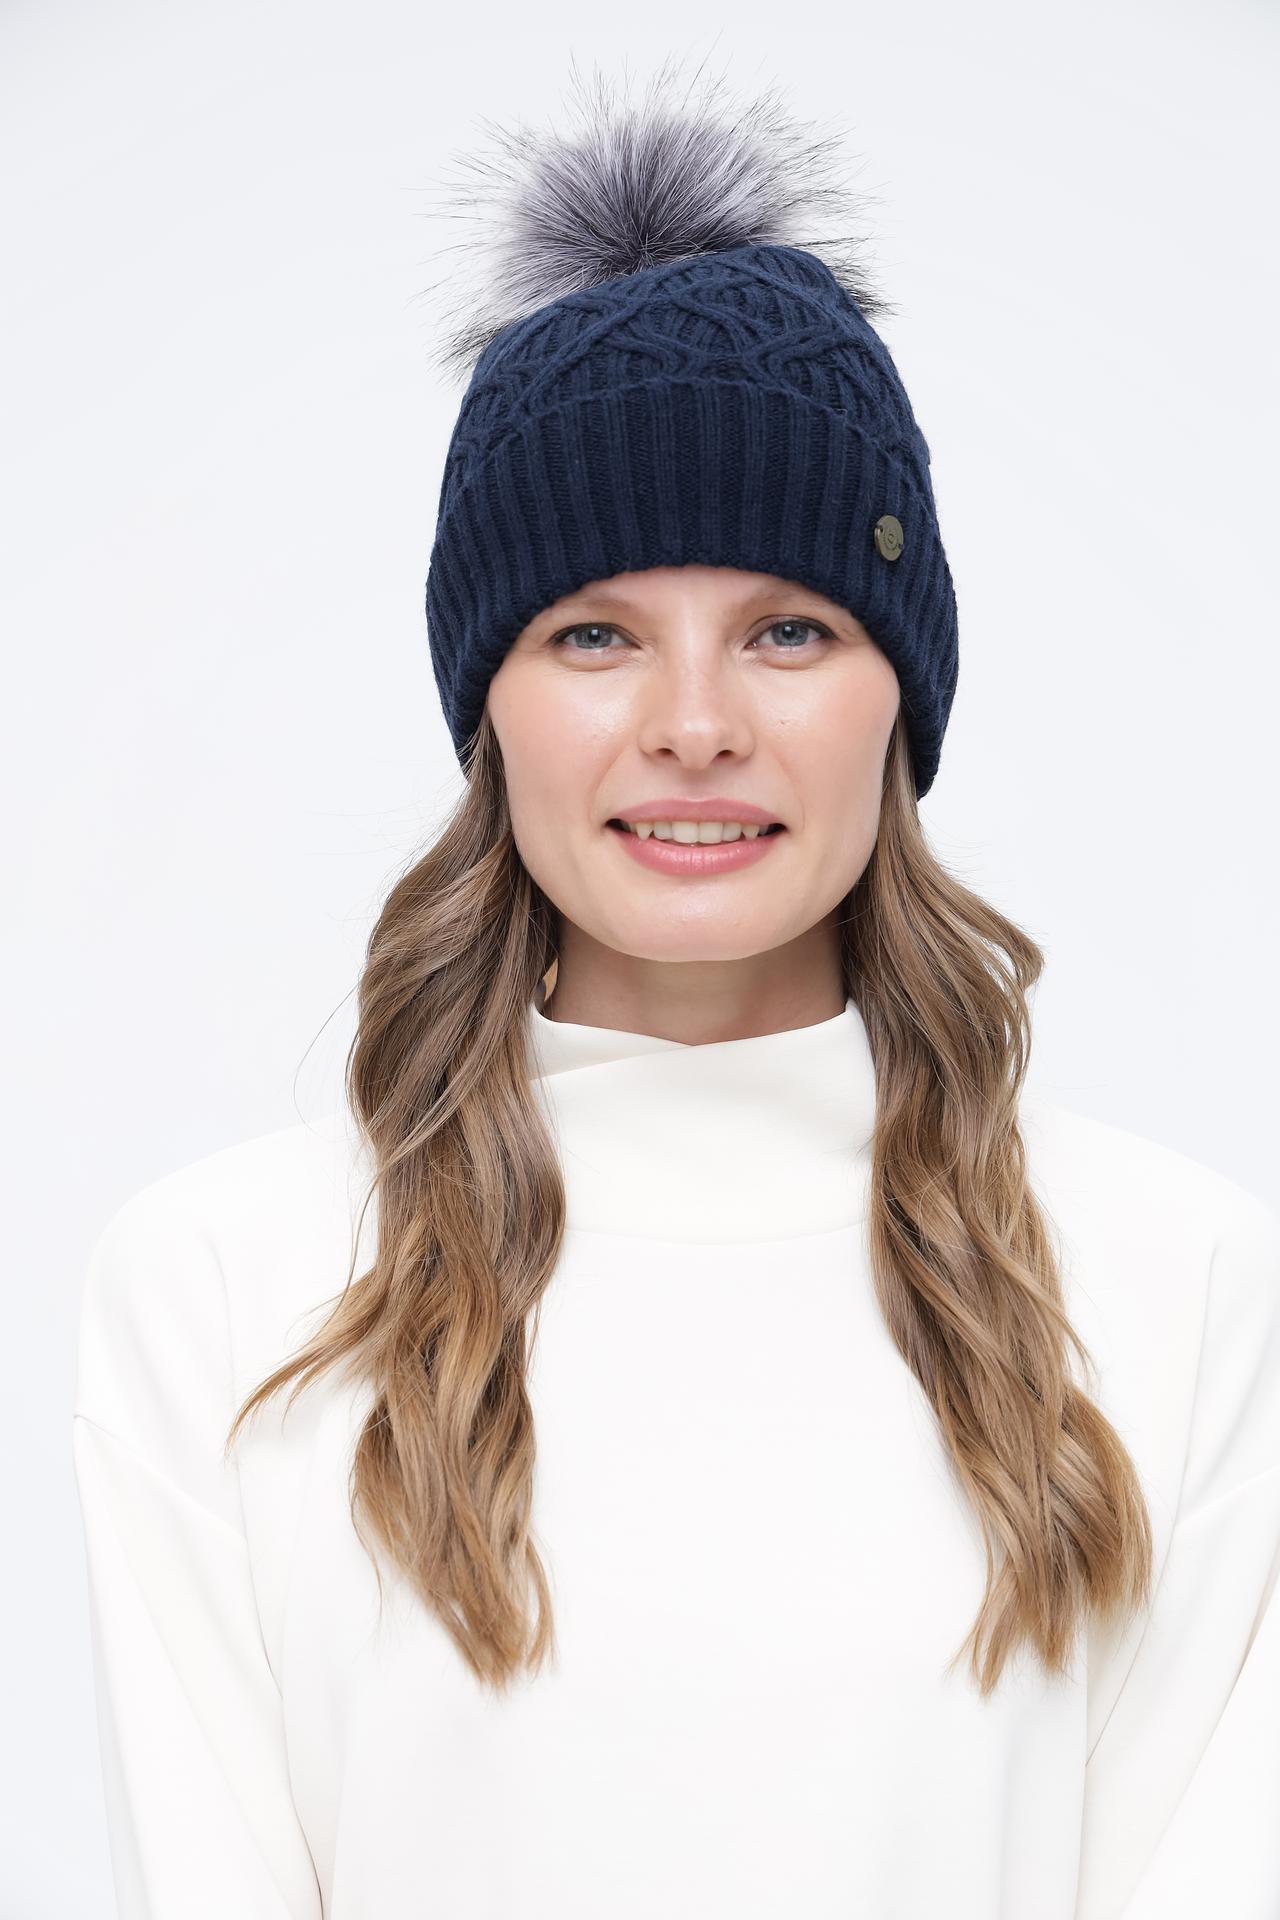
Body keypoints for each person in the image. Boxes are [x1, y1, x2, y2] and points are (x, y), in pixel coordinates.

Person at [72, 57, 1280, 1920]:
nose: (696, 724)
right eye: (596, 634)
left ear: (899, 697)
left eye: (788, 629)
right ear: (492, 704)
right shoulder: (226, 1292)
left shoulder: (1172, 1278)